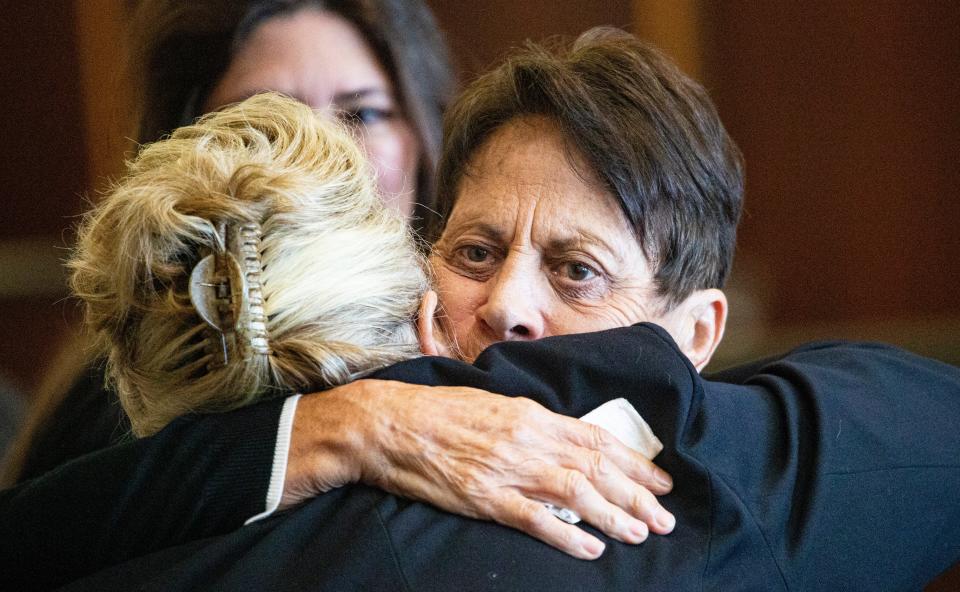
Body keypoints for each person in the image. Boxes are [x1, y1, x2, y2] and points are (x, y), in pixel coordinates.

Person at [6, 29, 959, 590]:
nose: (505, 306)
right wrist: (339, 427)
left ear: (695, 336)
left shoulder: (715, 487)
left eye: (577, 271)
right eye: (474, 252)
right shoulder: (222, 462)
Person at [9, 0, 668, 558]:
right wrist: (344, 426)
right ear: (183, 145)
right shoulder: (126, 386)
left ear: (422, 136)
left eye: (365, 114)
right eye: (267, 116)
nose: (329, 150)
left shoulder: (511, 328)